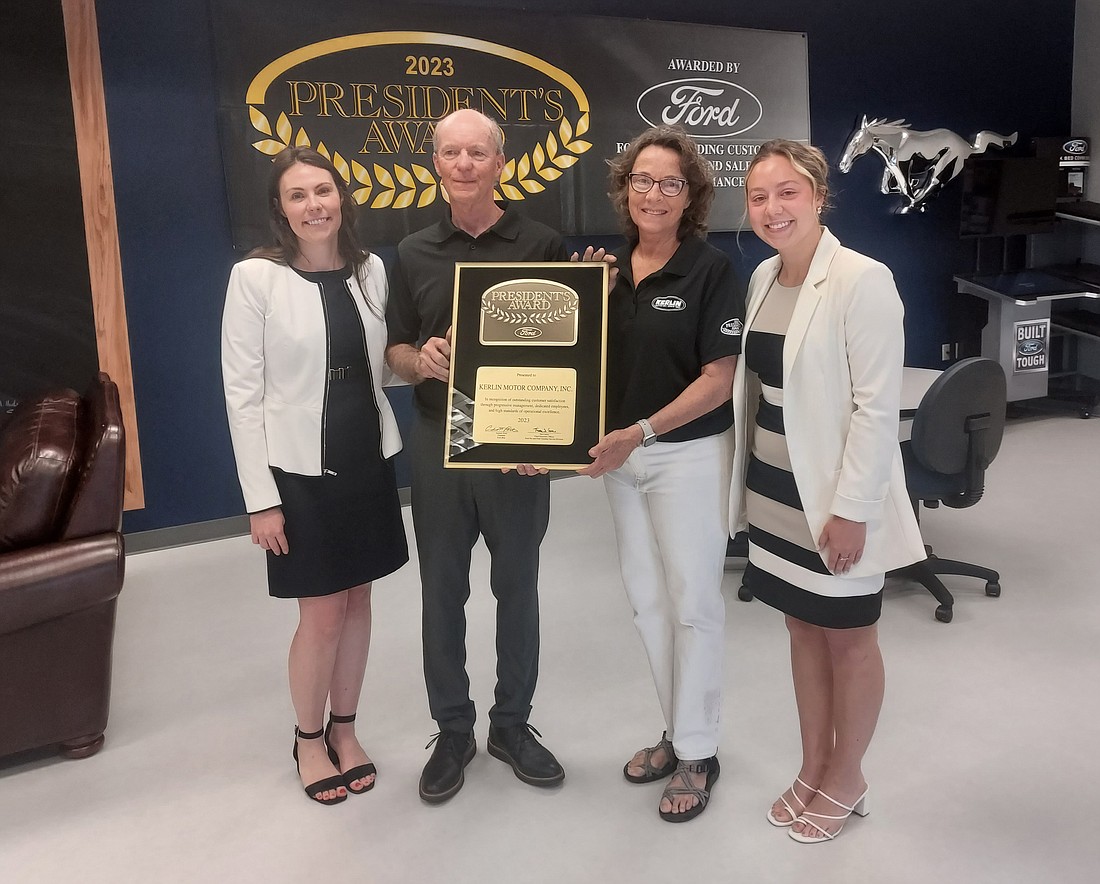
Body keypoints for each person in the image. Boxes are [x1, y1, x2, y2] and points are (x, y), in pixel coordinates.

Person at [729, 139, 925, 841]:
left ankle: (850, 775)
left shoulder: (862, 279)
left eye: (787, 192)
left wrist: (852, 511)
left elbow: (877, 408)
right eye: (758, 196)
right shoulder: (763, 279)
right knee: (801, 629)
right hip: (773, 493)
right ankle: (813, 765)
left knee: (849, 639)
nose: (772, 208)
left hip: (831, 502)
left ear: (817, 196)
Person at [385, 108, 571, 803]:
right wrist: (420, 361)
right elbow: (395, 349)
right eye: (450, 152)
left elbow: (567, 358)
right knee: (443, 589)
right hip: (439, 440)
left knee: (517, 585)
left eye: (477, 153)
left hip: (515, 440)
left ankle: (512, 725)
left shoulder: (543, 244)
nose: (463, 164)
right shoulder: (409, 252)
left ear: (500, 162)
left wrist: (545, 441)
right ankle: (454, 729)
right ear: (435, 163)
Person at [221, 146, 408, 806]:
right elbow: (241, 395)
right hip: (298, 467)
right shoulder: (256, 279)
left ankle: (346, 729)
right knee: (322, 611)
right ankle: (307, 739)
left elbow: (385, 367)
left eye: (323, 190)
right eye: (297, 195)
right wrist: (260, 501)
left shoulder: (370, 270)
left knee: (358, 600)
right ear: (281, 209)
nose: (313, 205)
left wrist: (430, 358)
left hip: (368, 455)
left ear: (342, 198)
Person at [579, 125, 745, 822]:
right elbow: (583, 370)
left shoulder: (712, 270)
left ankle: (700, 755)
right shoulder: (608, 273)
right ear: (623, 191)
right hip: (622, 464)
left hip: (686, 458)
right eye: (641, 180)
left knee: (695, 603)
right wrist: (581, 295)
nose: (653, 193)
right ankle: (679, 733)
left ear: (691, 195)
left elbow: (719, 379)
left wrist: (642, 433)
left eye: (670, 182)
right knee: (649, 602)